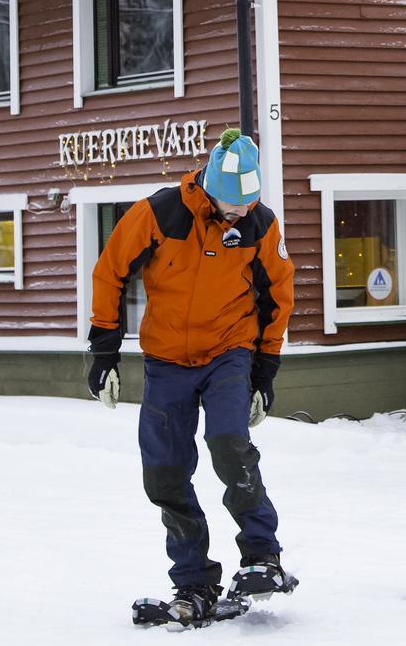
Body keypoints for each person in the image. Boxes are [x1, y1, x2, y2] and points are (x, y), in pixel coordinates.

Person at [86, 127, 295, 623]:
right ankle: (194, 579)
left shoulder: (261, 225)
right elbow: (109, 272)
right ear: (207, 187)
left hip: (230, 350)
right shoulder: (158, 212)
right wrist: (104, 353)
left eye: (248, 202)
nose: (241, 211)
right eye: (233, 204)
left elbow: (278, 297)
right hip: (166, 359)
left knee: (228, 443)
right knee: (165, 471)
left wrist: (265, 371)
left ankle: (262, 556)